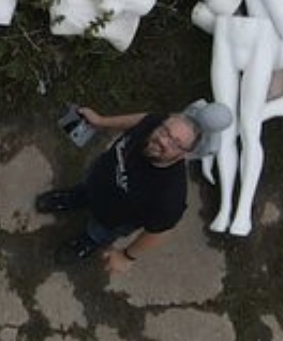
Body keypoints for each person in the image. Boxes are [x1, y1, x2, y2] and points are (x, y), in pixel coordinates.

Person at [37, 101, 233, 273]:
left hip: (113, 218)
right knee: (85, 190)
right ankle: (73, 199)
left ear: (186, 154)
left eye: (176, 143)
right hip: (97, 180)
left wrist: (127, 256)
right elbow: (142, 119)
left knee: (98, 232)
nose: (163, 140)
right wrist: (101, 121)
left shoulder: (169, 196)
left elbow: (159, 232)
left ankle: (86, 243)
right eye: (165, 131)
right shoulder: (155, 123)